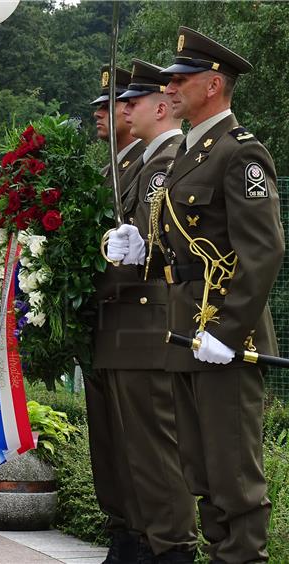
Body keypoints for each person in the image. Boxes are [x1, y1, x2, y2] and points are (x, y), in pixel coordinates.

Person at [111, 27, 283, 562]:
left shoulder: (239, 154)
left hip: (224, 335)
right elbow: (183, 246)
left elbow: (263, 252)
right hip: (184, 331)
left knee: (233, 471)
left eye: (182, 80)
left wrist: (228, 333)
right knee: (200, 469)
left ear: (214, 85)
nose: (171, 89)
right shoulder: (188, 153)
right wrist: (142, 248)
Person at [101, 60, 197, 561]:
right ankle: (142, 540)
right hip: (128, 318)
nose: (122, 110)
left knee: (157, 448)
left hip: (152, 317)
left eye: (132, 102)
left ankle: (170, 547)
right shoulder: (138, 164)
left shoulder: (165, 163)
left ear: (160, 107)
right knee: (132, 448)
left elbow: (159, 240)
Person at [85, 65, 149, 560]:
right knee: (108, 439)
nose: (103, 114)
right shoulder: (110, 169)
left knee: (139, 443)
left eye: (114, 104)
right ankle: (123, 531)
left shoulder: (153, 165)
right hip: (108, 320)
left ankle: (146, 537)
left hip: (139, 321)